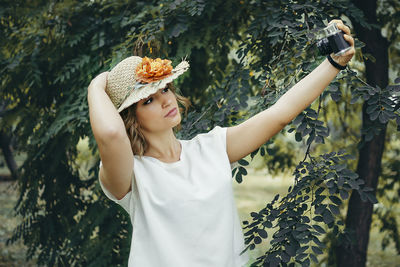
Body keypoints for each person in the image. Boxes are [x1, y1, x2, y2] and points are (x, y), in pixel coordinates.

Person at [87, 19, 355, 267]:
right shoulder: (130, 174)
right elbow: (111, 134)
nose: (166, 100)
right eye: (148, 100)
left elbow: (279, 113)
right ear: (131, 119)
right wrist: (97, 86)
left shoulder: (210, 148)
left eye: (165, 89)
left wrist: (334, 63)